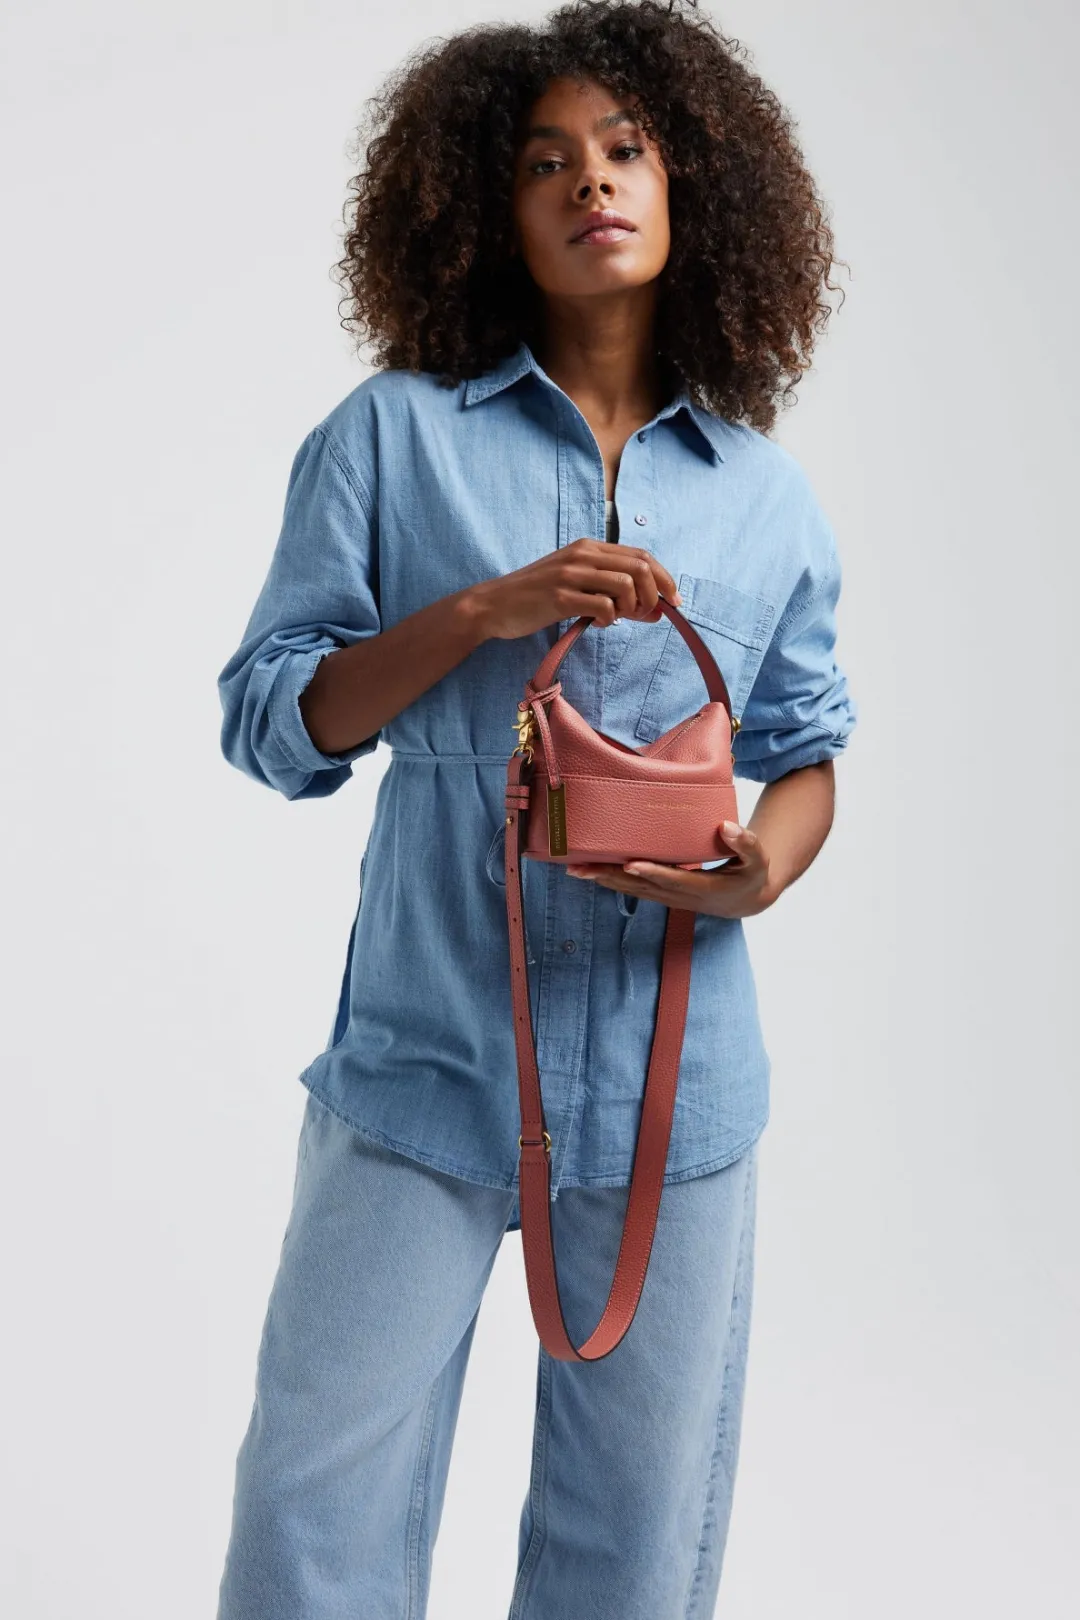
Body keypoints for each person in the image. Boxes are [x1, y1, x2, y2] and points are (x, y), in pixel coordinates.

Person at [213, 3, 858, 1615]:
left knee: (633, 1547)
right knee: (312, 1514)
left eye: (627, 149)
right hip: (425, 1061)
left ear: (695, 184)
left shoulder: (766, 495)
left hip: (675, 1085)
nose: (592, 182)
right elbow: (276, 725)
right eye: (544, 160)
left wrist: (762, 873)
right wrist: (480, 612)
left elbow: (810, 753)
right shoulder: (389, 437)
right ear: (485, 209)